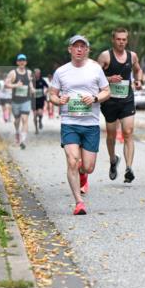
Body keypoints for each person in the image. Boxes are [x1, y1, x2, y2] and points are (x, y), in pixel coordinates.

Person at [48, 35, 110, 215]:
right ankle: (79, 202)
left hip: (90, 123)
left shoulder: (96, 69)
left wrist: (95, 98)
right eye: (76, 46)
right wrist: (59, 100)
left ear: (88, 50)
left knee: (88, 167)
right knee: (72, 161)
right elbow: (52, 94)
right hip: (70, 123)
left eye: (83, 46)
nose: (79, 49)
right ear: (70, 49)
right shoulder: (61, 72)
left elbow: (107, 91)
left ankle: (83, 174)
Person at [97, 28, 145, 183]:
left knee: (128, 132)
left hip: (126, 100)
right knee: (111, 134)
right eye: (118, 39)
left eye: (124, 39)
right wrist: (109, 79)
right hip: (109, 101)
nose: (121, 42)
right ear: (113, 40)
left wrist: (138, 81)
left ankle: (129, 168)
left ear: (127, 40)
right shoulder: (105, 56)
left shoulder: (132, 56)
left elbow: (138, 71)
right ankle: (113, 160)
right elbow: (94, 76)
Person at [5, 54, 34, 148]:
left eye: (23, 60)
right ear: (17, 62)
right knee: (17, 121)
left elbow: (29, 82)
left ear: (26, 62)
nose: (22, 62)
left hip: (26, 100)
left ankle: (23, 140)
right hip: (15, 101)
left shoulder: (29, 72)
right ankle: (17, 132)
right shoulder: (13, 73)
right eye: (20, 60)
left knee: (25, 119)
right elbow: (6, 84)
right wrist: (16, 85)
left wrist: (32, 88)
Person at [32, 67, 48, 133]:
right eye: (36, 73)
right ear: (34, 73)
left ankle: (40, 121)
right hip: (34, 100)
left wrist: (45, 91)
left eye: (38, 73)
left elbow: (47, 87)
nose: (37, 74)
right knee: (35, 116)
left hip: (41, 99)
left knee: (40, 113)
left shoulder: (42, 80)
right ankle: (36, 129)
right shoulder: (32, 81)